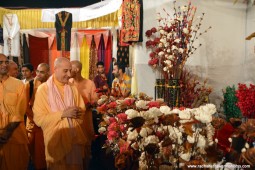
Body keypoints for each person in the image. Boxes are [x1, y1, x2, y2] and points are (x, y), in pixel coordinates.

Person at [32, 57, 87, 170]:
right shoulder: (43, 89)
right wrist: (63, 114)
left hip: (73, 140)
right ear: (56, 69)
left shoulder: (72, 88)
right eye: (65, 71)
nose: (69, 74)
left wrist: (77, 113)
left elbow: (82, 111)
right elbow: (38, 119)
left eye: (70, 70)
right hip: (55, 143)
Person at [0, 53, 29, 170]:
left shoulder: (18, 85)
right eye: (0, 62)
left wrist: (7, 133)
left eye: (6, 62)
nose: (4, 65)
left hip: (14, 135)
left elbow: (19, 112)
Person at [70, 60, 98, 170]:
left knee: (86, 148)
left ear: (76, 70)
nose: (68, 72)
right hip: (72, 121)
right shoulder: (69, 83)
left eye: (70, 69)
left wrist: (84, 107)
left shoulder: (90, 83)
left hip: (85, 120)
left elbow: (94, 101)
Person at [25, 63, 50, 170]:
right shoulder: (30, 85)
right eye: (37, 71)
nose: (39, 74)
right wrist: (36, 120)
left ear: (48, 73)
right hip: (34, 125)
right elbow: (25, 106)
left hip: (48, 124)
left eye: (42, 72)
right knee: (35, 154)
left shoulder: (52, 85)